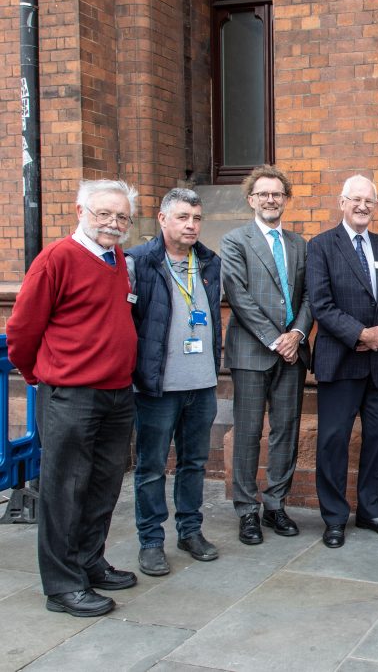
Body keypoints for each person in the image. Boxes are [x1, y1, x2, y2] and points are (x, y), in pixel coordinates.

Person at [7, 179, 140, 616]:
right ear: (80, 210)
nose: (113, 223)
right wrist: (40, 376)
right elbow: (23, 331)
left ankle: (88, 562)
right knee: (64, 489)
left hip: (116, 394)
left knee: (103, 486)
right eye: (104, 213)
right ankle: (63, 586)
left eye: (122, 216)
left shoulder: (116, 257)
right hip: (71, 395)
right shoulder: (57, 258)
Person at [307, 174, 378, 548]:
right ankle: (334, 518)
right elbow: (321, 304)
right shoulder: (321, 246)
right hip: (341, 361)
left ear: (376, 206)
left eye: (369, 201)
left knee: (377, 438)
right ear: (342, 202)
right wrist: (361, 334)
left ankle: (371, 512)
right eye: (355, 200)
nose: (362, 207)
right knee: (333, 441)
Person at [126, 188, 221, 577]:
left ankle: (190, 531)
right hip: (157, 388)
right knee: (150, 467)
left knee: (194, 463)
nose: (191, 225)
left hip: (202, 384)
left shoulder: (209, 262)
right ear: (162, 219)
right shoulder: (138, 262)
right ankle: (150, 542)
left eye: (196, 218)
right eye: (183, 217)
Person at [221, 165, 313, 546]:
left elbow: (310, 296)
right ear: (251, 199)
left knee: (286, 431)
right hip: (252, 351)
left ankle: (275, 504)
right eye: (263, 194)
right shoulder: (235, 241)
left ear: (285, 199)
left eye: (277, 194)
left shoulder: (299, 244)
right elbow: (237, 295)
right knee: (247, 433)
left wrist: (297, 333)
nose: (271, 200)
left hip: (293, 353)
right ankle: (246, 511)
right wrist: (276, 339)